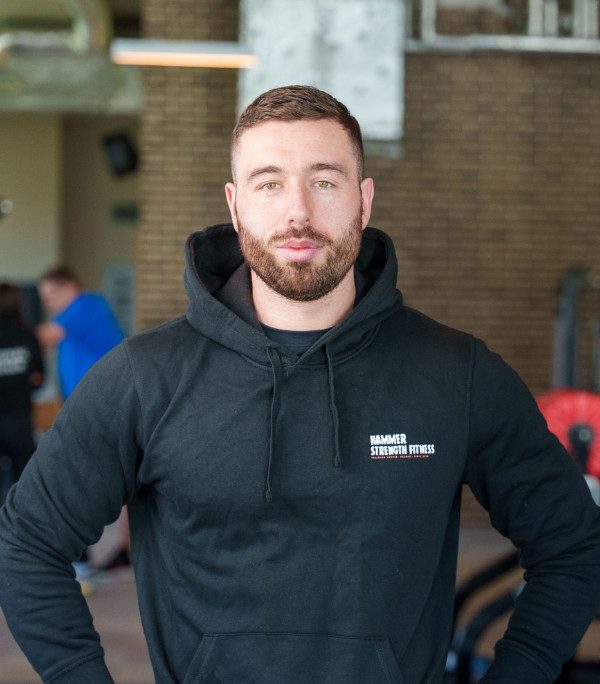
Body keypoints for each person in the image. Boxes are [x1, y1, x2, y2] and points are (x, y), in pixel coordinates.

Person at [0, 85, 599, 683]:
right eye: (269, 184)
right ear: (236, 206)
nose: (298, 213)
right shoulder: (144, 378)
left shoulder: (457, 373)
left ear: (364, 200)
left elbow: (574, 545)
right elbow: (26, 545)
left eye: (325, 181)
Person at [36, 265, 123, 399]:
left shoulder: (87, 304)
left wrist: (10, 334)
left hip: (98, 395)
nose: (46, 303)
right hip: (83, 397)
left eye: (50, 296)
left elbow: (46, 336)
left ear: (69, 287)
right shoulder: (64, 315)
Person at [0, 283, 44, 490]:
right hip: (20, 422)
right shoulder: (27, 335)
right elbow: (39, 378)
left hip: (13, 418)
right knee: (25, 487)